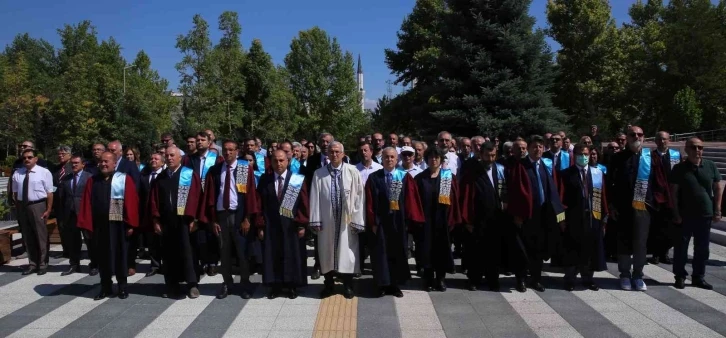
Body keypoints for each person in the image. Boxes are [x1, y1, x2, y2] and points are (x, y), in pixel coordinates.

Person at [608, 126, 670, 291]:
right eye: (632, 134)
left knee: (640, 244)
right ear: (627, 137)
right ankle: (624, 275)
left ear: (644, 137)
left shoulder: (651, 158)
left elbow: (660, 183)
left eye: (639, 134)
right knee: (623, 243)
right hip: (623, 208)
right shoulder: (618, 158)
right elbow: (610, 183)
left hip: (644, 208)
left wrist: (655, 203)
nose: (636, 136)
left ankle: (638, 275)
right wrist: (611, 204)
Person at [202, 140, 260, 300]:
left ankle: (245, 282)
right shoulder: (215, 170)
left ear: (237, 151)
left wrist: (247, 218)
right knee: (224, 251)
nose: (227, 153)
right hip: (221, 216)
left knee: (242, 252)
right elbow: (210, 197)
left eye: (231, 150)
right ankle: (227, 282)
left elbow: (250, 195)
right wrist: (213, 220)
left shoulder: (243, 169)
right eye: (225, 150)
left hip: (239, 216)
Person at [507, 136, 565, 292]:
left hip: (542, 215)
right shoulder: (521, 166)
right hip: (525, 216)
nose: (538, 149)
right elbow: (514, 192)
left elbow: (552, 191)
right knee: (522, 250)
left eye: (540, 146)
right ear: (528, 149)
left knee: (538, 250)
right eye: (534, 146)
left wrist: (559, 214)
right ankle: (521, 280)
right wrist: (517, 214)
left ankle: (536, 279)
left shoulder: (545, 166)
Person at [77, 152, 139, 300]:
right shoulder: (93, 181)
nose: (103, 164)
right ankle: (105, 287)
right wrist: (87, 225)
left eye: (107, 161)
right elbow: (86, 204)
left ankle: (122, 286)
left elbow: (131, 202)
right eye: (101, 162)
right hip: (100, 226)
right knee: (102, 257)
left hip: (118, 226)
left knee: (120, 256)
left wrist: (131, 224)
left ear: (114, 163)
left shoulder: (123, 179)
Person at [365, 147, 425, 298]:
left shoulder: (404, 177)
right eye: (386, 157)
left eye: (392, 157)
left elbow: (410, 201)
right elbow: (370, 202)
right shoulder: (374, 177)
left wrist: (410, 222)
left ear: (396, 159)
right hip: (381, 222)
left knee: (397, 252)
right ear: (382, 159)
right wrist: (372, 221)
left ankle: (395, 285)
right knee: (380, 253)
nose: (389, 159)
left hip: (398, 222)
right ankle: (381, 284)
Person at [310, 141, 366, 299]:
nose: (334, 154)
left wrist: (357, 219)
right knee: (326, 251)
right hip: (326, 222)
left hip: (346, 222)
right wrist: (316, 220)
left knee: (347, 253)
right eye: (331, 152)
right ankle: (328, 285)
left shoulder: (352, 171)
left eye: (337, 152)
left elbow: (359, 197)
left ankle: (347, 285)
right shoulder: (319, 174)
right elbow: (315, 198)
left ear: (343, 153)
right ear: (327, 154)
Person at [149, 146, 204, 299]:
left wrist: (195, 219)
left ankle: (192, 284)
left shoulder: (188, 174)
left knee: (188, 252)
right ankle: (172, 285)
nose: (169, 158)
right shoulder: (161, 177)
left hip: (185, 221)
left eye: (172, 155)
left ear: (180, 157)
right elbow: (154, 200)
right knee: (169, 254)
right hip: (167, 221)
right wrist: (156, 219)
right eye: (167, 155)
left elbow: (197, 197)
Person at [670, 137, 722, 290]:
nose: (697, 150)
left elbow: (718, 188)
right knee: (681, 247)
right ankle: (680, 276)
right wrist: (675, 213)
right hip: (684, 215)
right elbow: (673, 193)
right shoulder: (679, 168)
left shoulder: (710, 166)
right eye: (693, 147)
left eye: (700, 147)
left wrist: (717, 210)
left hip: (705, 214)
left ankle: (698, 277)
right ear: (686, 149)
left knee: (702, 248)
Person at [258, 150, 309, 299]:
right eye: (275, 160)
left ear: (287, 161)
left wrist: (301, 224)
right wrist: (260, 225)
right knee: (273, 255)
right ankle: (275, 285)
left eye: (281, 160)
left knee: (292, 254)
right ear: (271, 162)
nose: (278, 164)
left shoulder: (297, 179)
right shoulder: (264, 180)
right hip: (271, 225)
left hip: (291, 225)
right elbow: (259, 203)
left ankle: (292, 285)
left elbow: (303, 204)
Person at [459, 142, 510, 291]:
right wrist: (467, 219)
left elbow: (505, 193)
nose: (490, 158)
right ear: (481, 155)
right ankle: (474, 279)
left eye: (493, 155)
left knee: (494, 251)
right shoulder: (472, 171)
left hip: (496, 218)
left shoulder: (500, 170)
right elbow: (466, 196)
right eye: (487, 155)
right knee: (475, 251)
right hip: (477, 218)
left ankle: (493, 279)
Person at [559, 144, 608, 291]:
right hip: (573, 218)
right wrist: (561, 219)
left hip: (593, 217)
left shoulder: (597, 173)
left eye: (586, 154)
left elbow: (603, 197)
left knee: (590, 248)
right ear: (574, 156)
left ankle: (588, 278)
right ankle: (570, 279)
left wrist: (605, 219)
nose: (584, 157)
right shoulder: (566, 174)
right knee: (572, 248)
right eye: (580, 154)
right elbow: (560, 199)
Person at [414, 146, 461, 292]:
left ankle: (440, 279)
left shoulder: (449, 176)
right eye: (430, 157)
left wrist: (453, 218)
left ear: (441, 160)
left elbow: (456, 199)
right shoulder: (420, 178)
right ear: (426, 160)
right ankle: (428, 279)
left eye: (436, 157)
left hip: (443, 220)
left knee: (442, 250)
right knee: (426, 249)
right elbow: (416, 201)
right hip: (426, 221)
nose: (433, 160)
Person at [186, 131, 224, 276]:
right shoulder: (189, 160)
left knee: (211, 232)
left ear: (209, 143)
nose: (199, 142)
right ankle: (202, 261)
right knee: (198, 233)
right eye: (198, 140)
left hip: (210, 200)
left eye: (203, 140)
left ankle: (213, 263)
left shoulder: (217, 159)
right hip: (195, 200)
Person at [13, 149, 54, 275]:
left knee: (40, 235)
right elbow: (15, 193)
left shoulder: (44, 172)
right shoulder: (18, 173)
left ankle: (42, 263)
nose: (27, 159)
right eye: (24, 157)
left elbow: (49, 192)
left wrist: (48, 209)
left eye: (30, 157)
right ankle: (32, 263)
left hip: (38, 205)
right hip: (23, 206)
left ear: (36, 159)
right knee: (27, 236)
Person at [57, 155, 93, 276]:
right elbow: (62, 197)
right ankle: (74, 264)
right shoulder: (66, 179)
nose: (74, 165)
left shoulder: (89, 177)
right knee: (73, 241)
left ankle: (94, 264)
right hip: (70, 214)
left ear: (83, 164)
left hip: (84, 214)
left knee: (89, 240)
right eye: (72, 163)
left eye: (77, 163)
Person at [648, 131, 679, 264]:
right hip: (656, 196)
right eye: (659, 139)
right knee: (655, 227)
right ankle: (655, 253)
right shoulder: (649, 156)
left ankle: (664, 252)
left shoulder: (675, 155)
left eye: (664, 139)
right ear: (655, 141)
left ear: (669, 140)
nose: (662, 142)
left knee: (669, 227)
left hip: (671, 196)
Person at [139, 153, 165, 277]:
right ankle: (155, 265)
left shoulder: (166, 175)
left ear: (162, 162)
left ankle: (166, 265)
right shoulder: (144, 176)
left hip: (163, 214)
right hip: (148, 215)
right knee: (152, 242)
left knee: (164, 241)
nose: (153, 160)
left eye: (156, 159)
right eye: (151, 158)